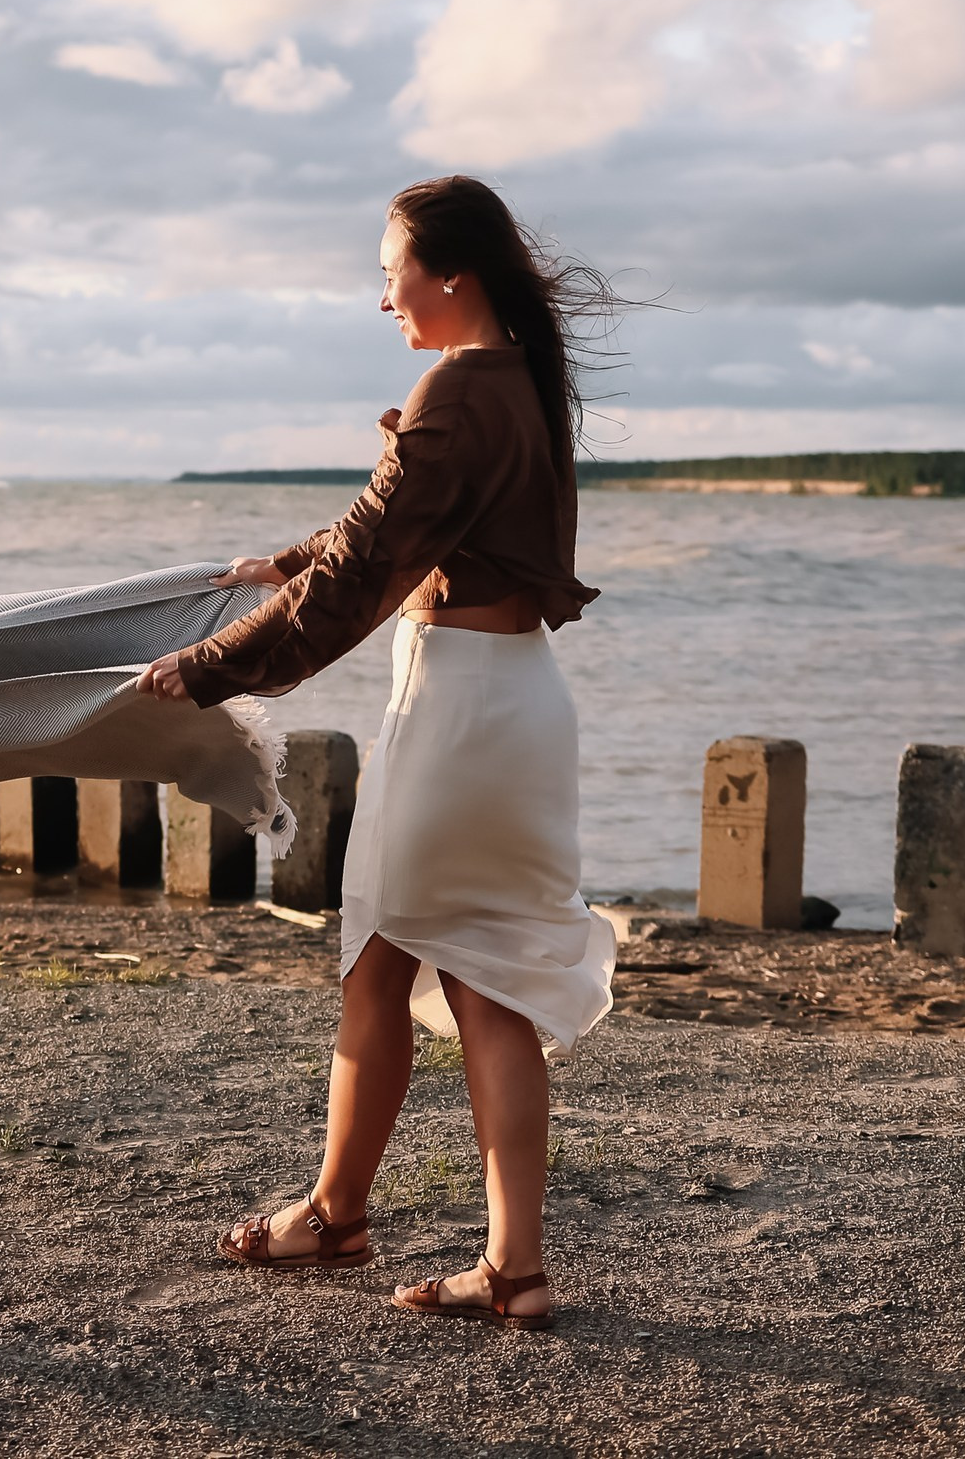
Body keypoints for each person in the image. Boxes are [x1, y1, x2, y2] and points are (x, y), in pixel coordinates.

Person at [137, 176, 618, 1330]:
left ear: (449, 274)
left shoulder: (456, 384)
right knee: (455, 967)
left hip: (456, 713)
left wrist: (204, 670)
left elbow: (365, 574)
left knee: (410, 964)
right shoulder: (523, 387)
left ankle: (344, 1217)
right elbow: (398, 527)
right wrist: (291, 557)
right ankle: (495, 1261)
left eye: (389, 268)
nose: (382, 294)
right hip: (515, 707)